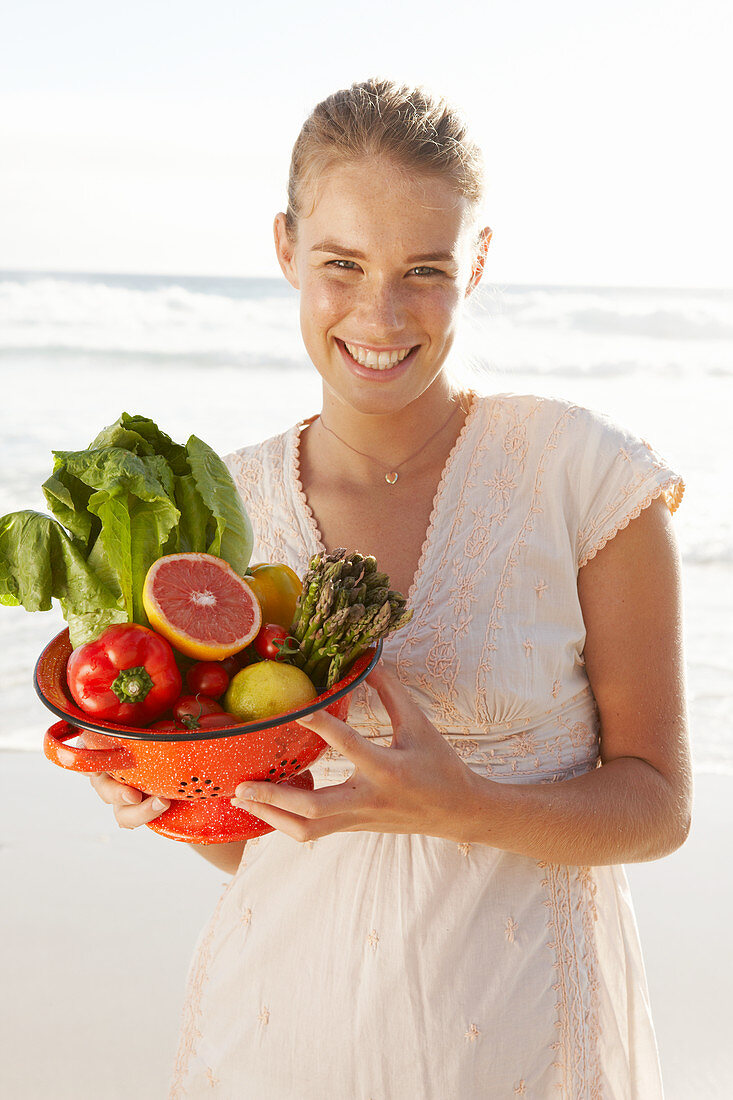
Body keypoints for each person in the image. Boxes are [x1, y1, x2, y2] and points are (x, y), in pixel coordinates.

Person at [89, 79, 692, 1097]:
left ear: (479, 263)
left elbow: (659, 804)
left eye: (424, 269)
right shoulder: (222, 514)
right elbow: (268, 843)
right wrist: (174, 795)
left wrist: (465, 805)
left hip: (522, 1043)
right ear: (284, 248)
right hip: (277, 1032)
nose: (380, 313)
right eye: (341, 265)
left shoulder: (582, 475)